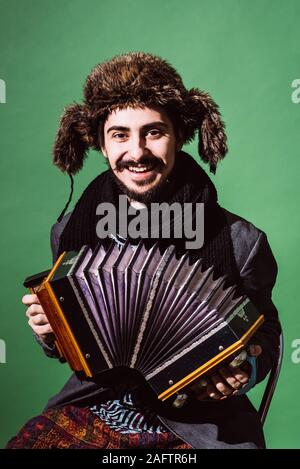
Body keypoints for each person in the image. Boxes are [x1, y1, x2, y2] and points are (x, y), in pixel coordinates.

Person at [7, 52, 281, 449]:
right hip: (96, 404)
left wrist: (246, 368)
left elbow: (266, 333)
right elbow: (75, 340)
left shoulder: (241, 241)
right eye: (120, 134)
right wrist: (50, 331)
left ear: (179, 136)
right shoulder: (69, 231)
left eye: (154, 132)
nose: (136, 152)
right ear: (100, 143)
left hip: (199, 423)